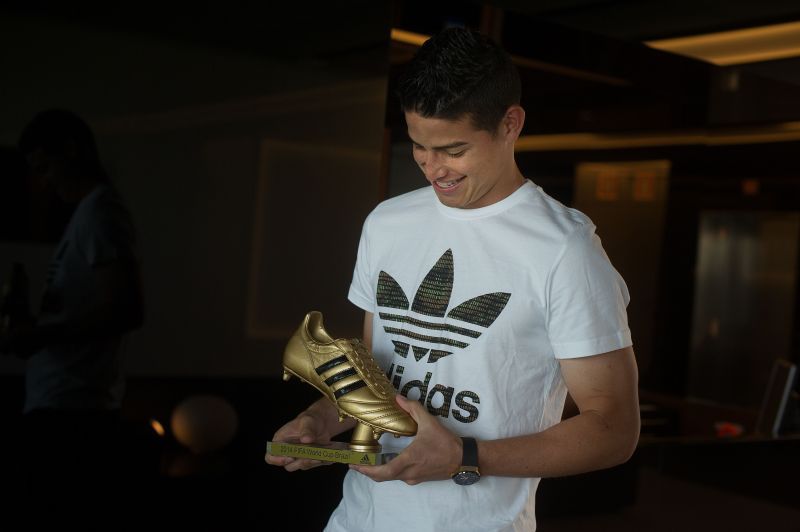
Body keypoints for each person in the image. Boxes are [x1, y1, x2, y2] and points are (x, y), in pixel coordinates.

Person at [266, 27, 640, 531]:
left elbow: (614, 429)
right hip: (357, 518)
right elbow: (379, 379)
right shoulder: (387, 223)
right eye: (419, 147)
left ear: (511, 124)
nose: (433, 168)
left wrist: (465, 455)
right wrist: (322, 420)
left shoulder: (565, 250)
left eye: (454, 149)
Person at [0, 108, 144, 530]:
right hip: (62, 405)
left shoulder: (101, 214)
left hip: (76, 411)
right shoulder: (87, 215)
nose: (43, 182)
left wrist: (38, 334)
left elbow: (126, 307)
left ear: (72, 151)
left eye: (45, 167)